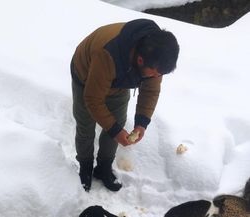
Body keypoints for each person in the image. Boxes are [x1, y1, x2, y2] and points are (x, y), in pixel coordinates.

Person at [71, 19, 179, 192]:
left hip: (119, 81)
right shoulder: (107, 53)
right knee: (86, 126)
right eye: (156, 73)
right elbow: (92, 99)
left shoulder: (157, 55)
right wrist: (114, 130)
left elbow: (150, 91)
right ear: (140, 60)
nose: (157, 76)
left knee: (116, 123)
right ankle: (85, 166)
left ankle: (103, 167)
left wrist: (141, 122)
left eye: (161, 74)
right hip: (86, 77)